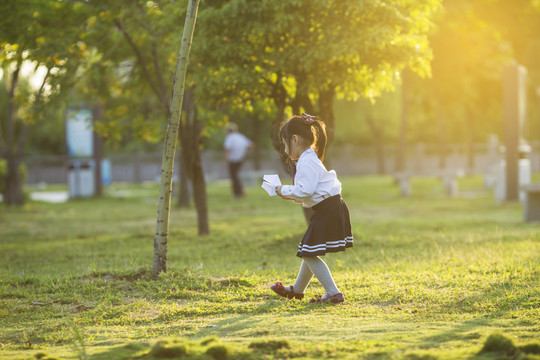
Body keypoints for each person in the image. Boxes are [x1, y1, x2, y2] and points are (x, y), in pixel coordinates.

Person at [271, 113, 353, 303]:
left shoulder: (307, 162)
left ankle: (333, 293)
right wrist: (293, 195)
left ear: (295, 139)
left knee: (307, 251)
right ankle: (297, 290)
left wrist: (283, 189)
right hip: (329, 208)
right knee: (309, 250)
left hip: (328, 210)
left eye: (284, 144)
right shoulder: (308, 159)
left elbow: (305, 191)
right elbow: (311, 192)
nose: (284, 149)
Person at [224, 122, 253, 198]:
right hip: (240, 159)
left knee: (234, 176)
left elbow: (228, 149)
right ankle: (239, 191)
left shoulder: (229, 138)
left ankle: (238, 192)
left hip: (233, 160)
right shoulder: (241, 137)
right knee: (236, 175)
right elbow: (250, 145)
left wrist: (224, 161)